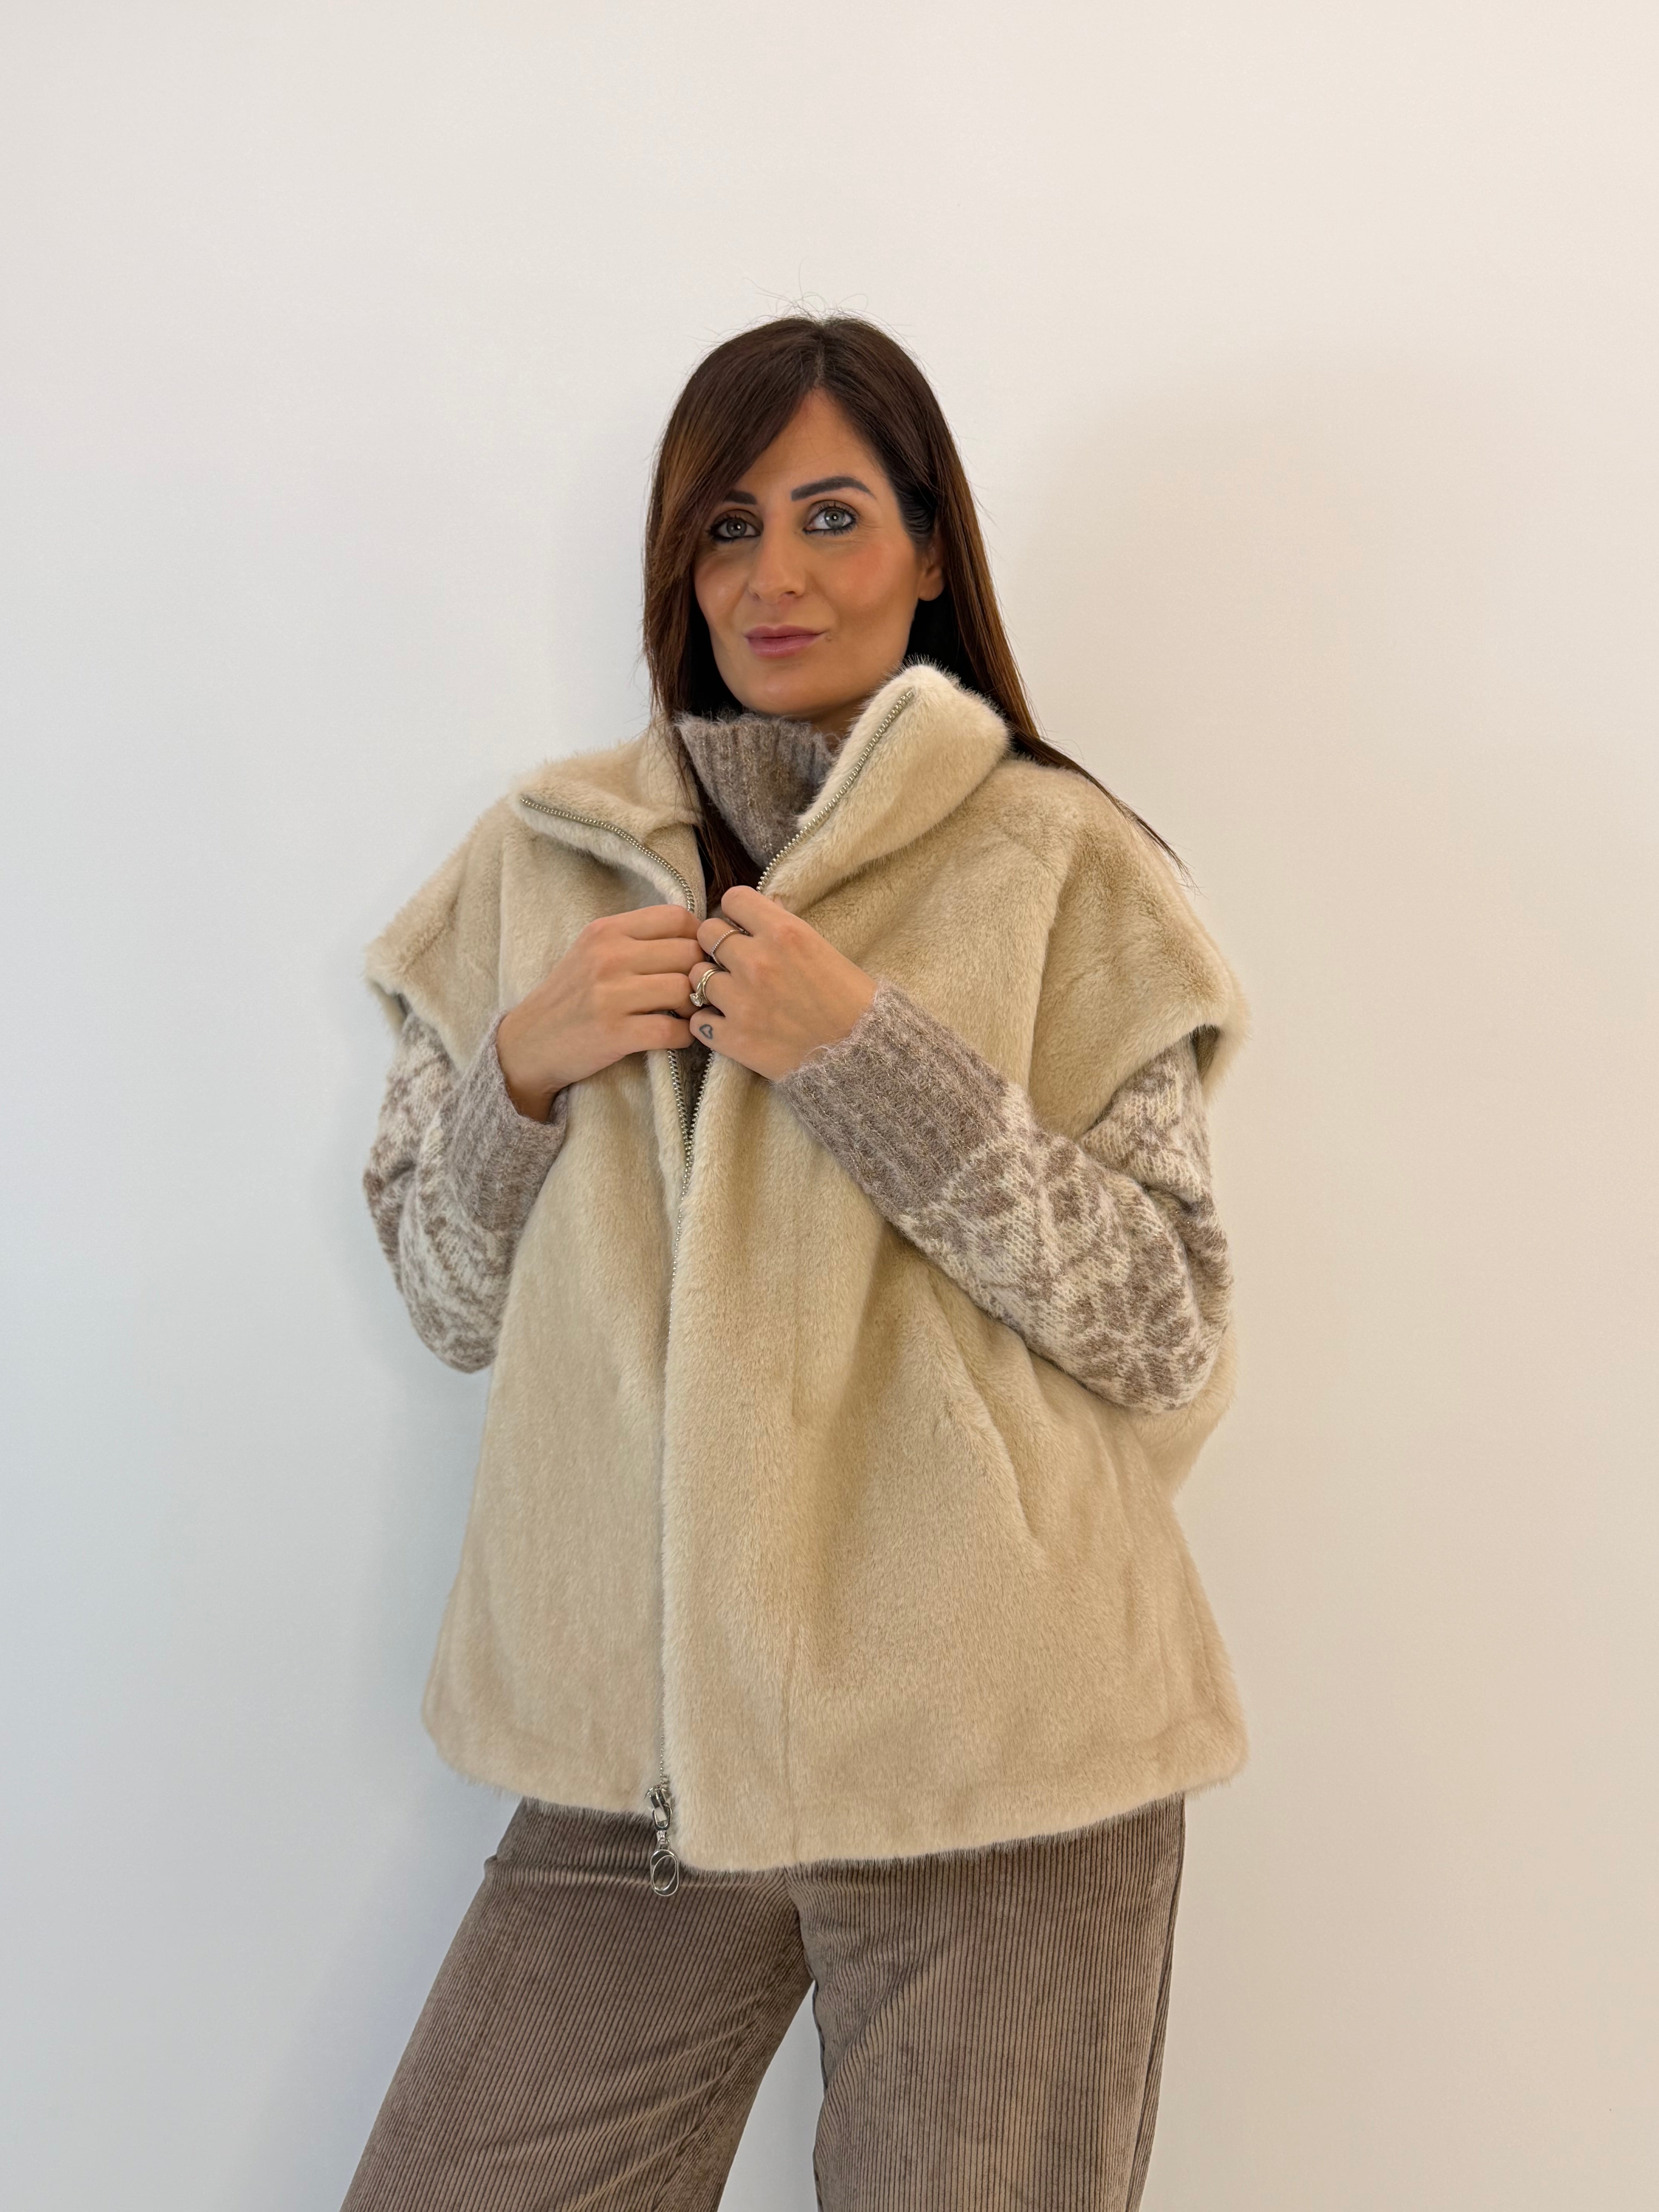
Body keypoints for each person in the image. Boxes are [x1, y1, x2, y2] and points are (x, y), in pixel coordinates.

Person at [345, 313, 1251, 2212]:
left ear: (928, 548)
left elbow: (1166, 1327)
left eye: (834, 516)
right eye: (728, 525)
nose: (777, 574)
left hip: (1002, 1762)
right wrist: (521, 1069)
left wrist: (872, 1059)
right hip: (642, 1773)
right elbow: (444, 1303)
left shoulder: (1061, 862)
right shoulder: (545, 862)